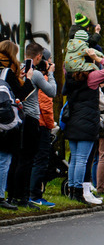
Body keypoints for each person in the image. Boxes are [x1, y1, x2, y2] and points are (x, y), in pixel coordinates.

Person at [61, 46, 104, 204]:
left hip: (72, 120)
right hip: (87, 122)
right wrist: (98, 58)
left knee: (73, 159)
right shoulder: (92, 78)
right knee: (81, 159)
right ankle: (79, 192)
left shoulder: (70, 76)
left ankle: (72, 189)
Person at [8, 43, 57, 208]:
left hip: (18, 117)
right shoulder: (34, 74)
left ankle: (13, 195)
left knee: (18, 158)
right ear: (38, 57)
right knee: (28, 159)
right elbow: (52, 92)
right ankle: (23, 197)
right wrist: (50, 74)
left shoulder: (17, 69)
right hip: (31, 119)